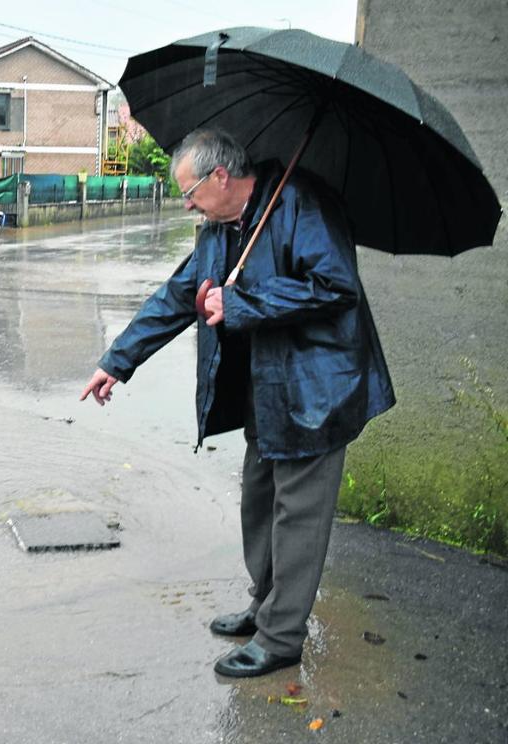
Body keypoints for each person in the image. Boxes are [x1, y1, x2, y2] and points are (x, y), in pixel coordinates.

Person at [80, 128, 395, 678]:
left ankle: (281, 637)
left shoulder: (304, 202)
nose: (186, 204)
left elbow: (336, 285)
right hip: (265, 391)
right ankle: (264, 603)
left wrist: (244, 301)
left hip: (317, 391)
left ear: (220, 176)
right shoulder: (219, 229)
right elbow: (178, 296)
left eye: (190, 192)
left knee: (298, 515)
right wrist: (117, 362)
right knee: (258, 500)